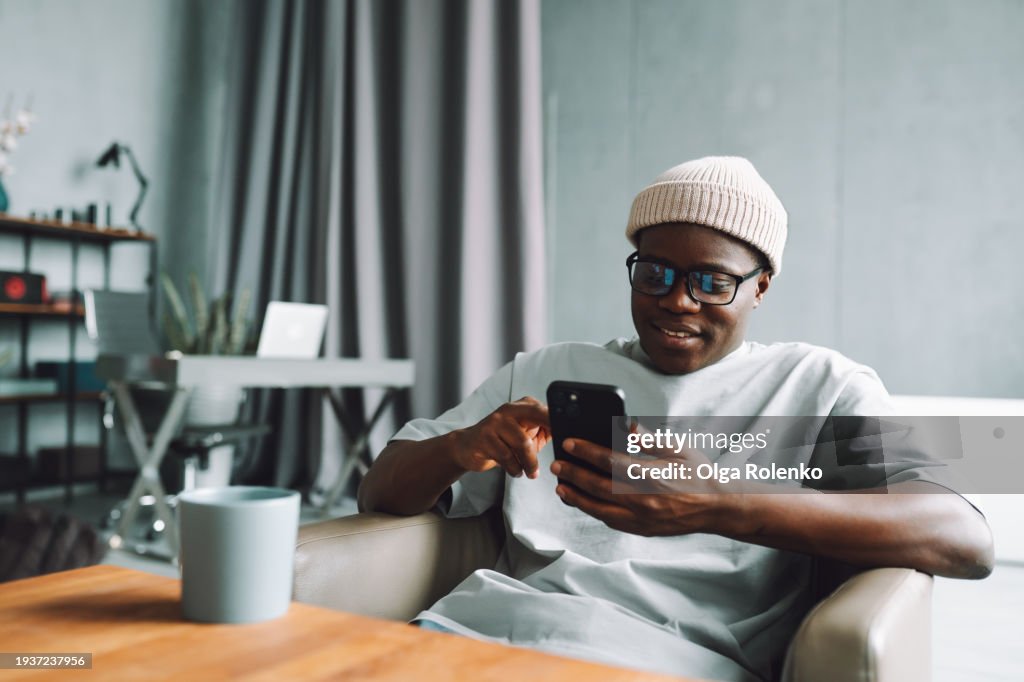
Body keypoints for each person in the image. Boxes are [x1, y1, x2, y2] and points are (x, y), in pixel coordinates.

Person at [358, 156, 993, 681]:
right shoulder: (546, 369)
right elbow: (378, 492)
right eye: (655, 274)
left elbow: (962, 537)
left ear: (761, 287)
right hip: (464, 639)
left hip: (663, 662)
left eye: (712, 282)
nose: (677, 302)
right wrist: (460, 447)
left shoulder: (819, 385)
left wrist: (718, 504)